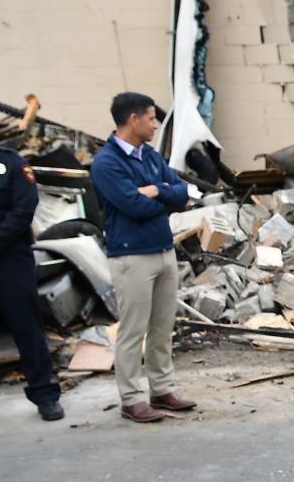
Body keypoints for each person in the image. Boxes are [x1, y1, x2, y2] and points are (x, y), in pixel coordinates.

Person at [90, 92, 196, 423]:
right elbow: (132, 206)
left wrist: (158, 191)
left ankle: (162, 389)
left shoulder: (148, 155)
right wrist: (162, 194)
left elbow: (182, 193)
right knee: (134, 331)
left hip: (163, 251)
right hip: (131, 256)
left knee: (163, 327)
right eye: (151, 118)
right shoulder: (106, 163)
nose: (154, 125)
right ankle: (131, 398)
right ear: (133, 119)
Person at [0, 143, 64, 421]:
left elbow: (24, 208)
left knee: (26, 326)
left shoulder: (10, 162)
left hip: (11, 258)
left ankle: (44, 394)